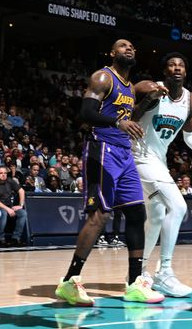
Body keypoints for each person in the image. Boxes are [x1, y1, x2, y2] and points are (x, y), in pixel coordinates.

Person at [55, 39, 167, 306]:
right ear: (112, 53)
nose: (128, 49)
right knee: (99, 215)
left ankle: (134, 284)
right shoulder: (103, 77)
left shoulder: (130, 87)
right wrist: (119, 121)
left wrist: (149, 101)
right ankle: (70, 282)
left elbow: (131, 118)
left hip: (124, 152)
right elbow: (86, 112)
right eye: (122, 46)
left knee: (137, 212)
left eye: (131, 47)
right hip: (101, 149)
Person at [132, 52, 192, 298]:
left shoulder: (191, 100)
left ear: (185, 73)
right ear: (164, 71)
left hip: (158, 161)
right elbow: (129, 109)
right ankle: (164, 272)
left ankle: (140, 272)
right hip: (138, 157)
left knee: (157, 214)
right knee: (177, 206)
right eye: (171, 65)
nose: (176, 68)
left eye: (181, 65)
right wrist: (148, 98)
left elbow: (189, 135)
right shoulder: (149, 87)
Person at [0, 166, 27, 246]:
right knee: (3, 213)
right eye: (1, 173)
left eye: (5, 173)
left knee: (23, 213)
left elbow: (21, 191)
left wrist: (20, 205)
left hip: (10, 206)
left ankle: (16, 238)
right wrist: (7, 209)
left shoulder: (10, 181)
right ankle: (0, 238)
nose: (3, 175)